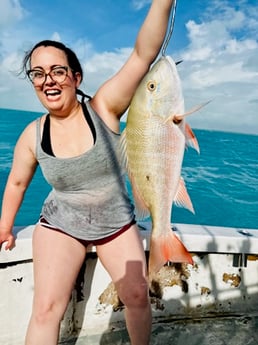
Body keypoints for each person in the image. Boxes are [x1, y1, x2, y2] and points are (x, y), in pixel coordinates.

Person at [0, 1, 175, 344]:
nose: (48, 80)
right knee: (47, 308)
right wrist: (5, 227)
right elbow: (17, 183)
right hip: (61, 225)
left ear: (75, 77)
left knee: (138, 296)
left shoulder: (105, 107)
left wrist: (163, 3)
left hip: (115, 224)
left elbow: (143, 55)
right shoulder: (32, 135)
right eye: (38, 73)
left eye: (58, 71)